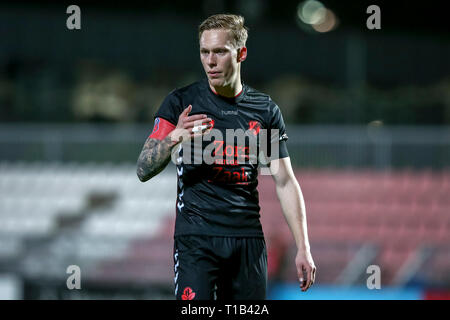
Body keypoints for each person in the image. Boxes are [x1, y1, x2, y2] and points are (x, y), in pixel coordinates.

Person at [136, 13, 316, 300]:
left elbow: (284, 181)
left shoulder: (263, 111)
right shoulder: (181, 102)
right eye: (204, 52)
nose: (210, 61)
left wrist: (303, 247)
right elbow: (143, 168)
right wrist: (175, 137)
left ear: (241, 53)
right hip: (197, 240)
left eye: (220, 51)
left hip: (247, 243)